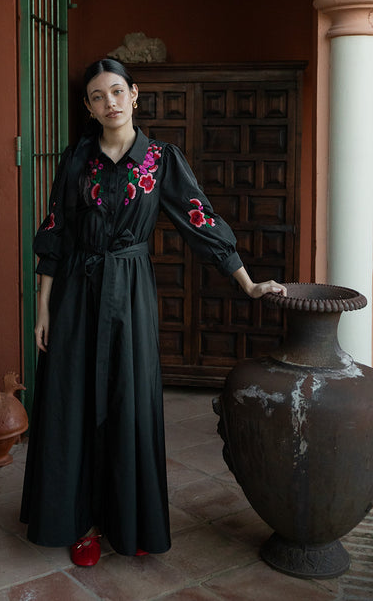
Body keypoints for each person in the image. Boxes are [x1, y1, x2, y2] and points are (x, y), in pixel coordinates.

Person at [20, 58, 286, 566]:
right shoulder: (77, 158)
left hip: (130, 293)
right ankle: (81, 523)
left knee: (129, 401)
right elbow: (55, 231)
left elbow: (200, 219)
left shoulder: (160, 159)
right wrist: (43, 308)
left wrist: (248, 282)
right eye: (98, 96)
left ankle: (129, 519)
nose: (110, 103)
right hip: (77, 291)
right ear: (88, 108)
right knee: (74, 404)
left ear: (135, 94)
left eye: (117, 91)